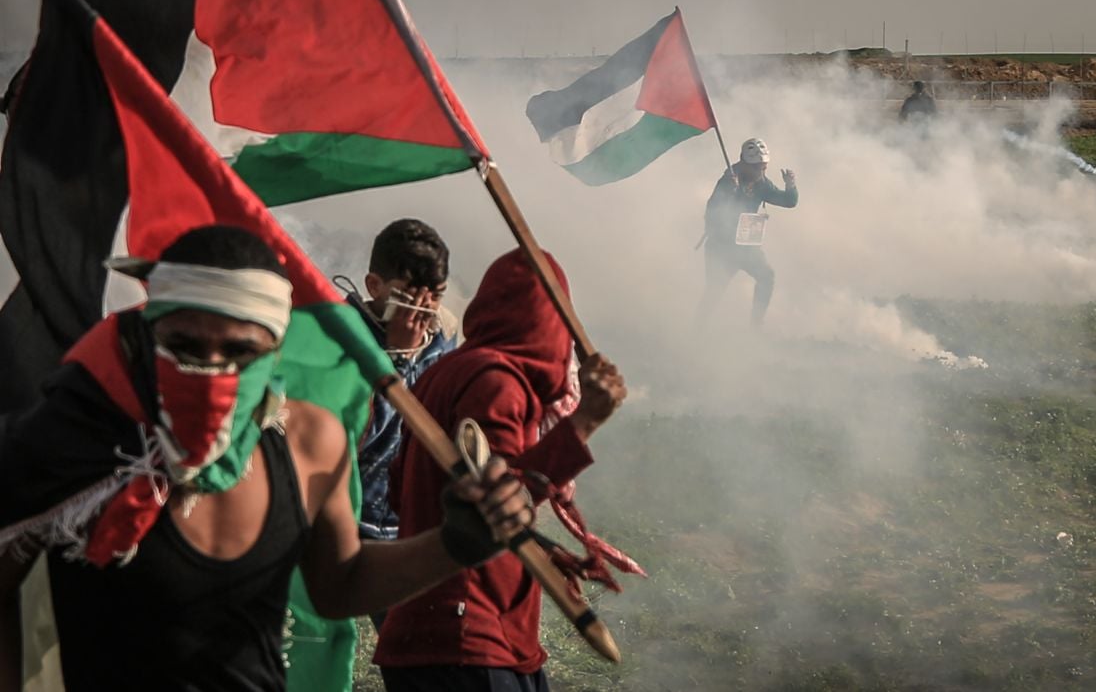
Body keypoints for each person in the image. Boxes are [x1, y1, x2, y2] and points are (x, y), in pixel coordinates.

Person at [0, 225, 533, 692]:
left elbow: (338, 583)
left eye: (239, 353)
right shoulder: (86, 441)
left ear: (275, 348)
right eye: (185, 347)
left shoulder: (309, 442)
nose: (211, 372)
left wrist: (454, 545)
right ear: (149, 335)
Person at [374, 249, 628, 692]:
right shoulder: (497, 380)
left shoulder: (448, 370)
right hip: (467, 634)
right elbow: (500, 498)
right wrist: (583, 421)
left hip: (440, 632)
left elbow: (405, 493)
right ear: (548, 321)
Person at [341, 220, 458, 582]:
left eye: (434, 296)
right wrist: (398, 358)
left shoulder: (442, 336)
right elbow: (356, 435)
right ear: (374, 286)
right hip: (341, 518)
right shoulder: (343, 336)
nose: (424, 310)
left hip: (408, 524)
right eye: (408, 297)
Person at [698, 137, 798, 326]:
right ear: (743, 163)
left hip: (745, 245)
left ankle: (755, 325)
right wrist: (728, 192)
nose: (760, 171)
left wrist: (790, 185)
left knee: (766, 277)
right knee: (714, 291)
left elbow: (788, 201)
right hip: (722, 247)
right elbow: (712, 211)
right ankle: (697, 329)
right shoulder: (728, 180)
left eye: (763, 166)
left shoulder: (762, 183)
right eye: (756, 167)